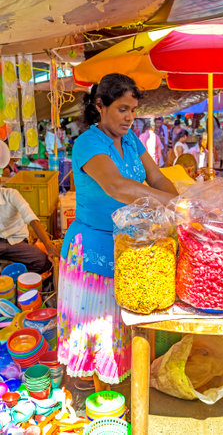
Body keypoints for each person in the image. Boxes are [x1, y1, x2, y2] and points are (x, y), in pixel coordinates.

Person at [57, 74, 178, 389]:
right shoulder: (87, 143)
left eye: (134, 110)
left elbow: (157, 178)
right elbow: (117, 186)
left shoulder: (131, 140)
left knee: (122, 330)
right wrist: (180, 205)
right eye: (123, 109)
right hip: (92, 250)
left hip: (128, 247)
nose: (130, 117)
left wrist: (177, 199)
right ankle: (96, 401)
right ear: (100, 105)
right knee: (98, 331)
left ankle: (118, 393)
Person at [0, 141, 58, 273]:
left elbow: (32, 219)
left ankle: (20, 276)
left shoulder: (11, 194)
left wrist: (49, 246)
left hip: (16, 242)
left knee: (44, 262)